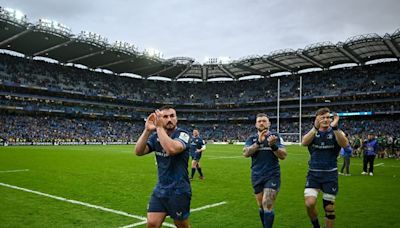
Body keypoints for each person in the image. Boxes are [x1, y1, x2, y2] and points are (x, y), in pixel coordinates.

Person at [135, 106, 191, 228]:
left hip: (179, 190)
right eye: (165, 117)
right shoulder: (155, 137)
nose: (169, 119)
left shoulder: (183, 134)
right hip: (161, 189)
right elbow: (139, 151)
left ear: (177, 119)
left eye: (172, 116)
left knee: (181, 225)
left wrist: (159, 127)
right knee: (152, 223)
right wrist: (147, 130)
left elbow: (172, 149)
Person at [301, 108, 348, 228]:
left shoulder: (336, 132)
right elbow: (304, 142)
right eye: (322, 117)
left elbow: (345, 144)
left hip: (330, 175)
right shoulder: (313, 132)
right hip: (314, 174)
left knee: (329, 208)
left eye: (328, 117)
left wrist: (336, 128)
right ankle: (316, 225)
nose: (326, 119)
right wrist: (315, 128)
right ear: (317, 119)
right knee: (309, 203)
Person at [242, 113, 287, 228]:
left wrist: (273, 146)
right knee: (261, 206)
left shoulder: (275, 137)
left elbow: (283, 155)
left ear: (269, 123)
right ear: (256, 124)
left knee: (267, 203)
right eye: (259, 121)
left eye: (264, 121)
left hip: (272, 174)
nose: (261, 123)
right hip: (256, 175)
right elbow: (245, 153)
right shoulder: (251, 138)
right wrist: (258, 142)